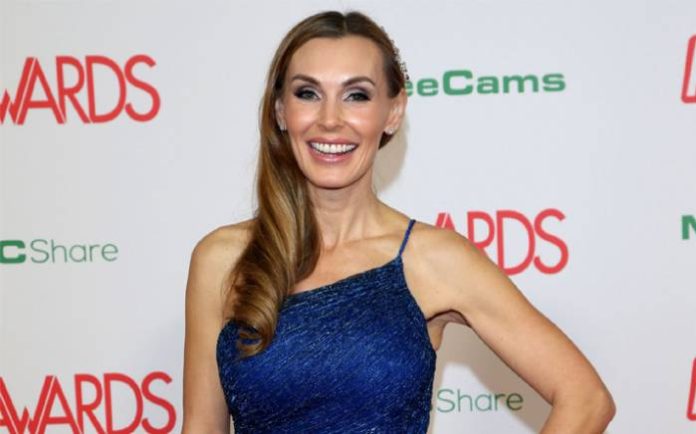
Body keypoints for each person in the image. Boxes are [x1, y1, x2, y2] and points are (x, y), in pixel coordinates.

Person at [181, 9, 615, 434]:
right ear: (280, 111)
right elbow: (201, 426)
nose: (329, 120)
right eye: (308, 93)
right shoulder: (223, 259)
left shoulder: (432, 259)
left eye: (356, 95)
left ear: (393, 112)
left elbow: (586, 400)